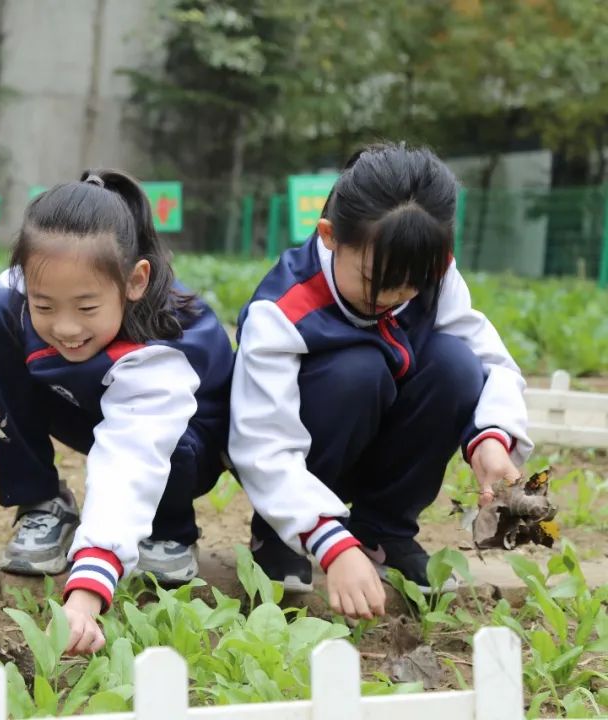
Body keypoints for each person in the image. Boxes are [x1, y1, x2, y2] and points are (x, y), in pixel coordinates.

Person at [0, 170, 233, 654]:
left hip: (179, 447)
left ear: (134, 281)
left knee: (173, 452)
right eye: (44, 306)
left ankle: (170, 530)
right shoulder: (43, 276)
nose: (63, 327)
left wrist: (87, 589)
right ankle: (43, 504)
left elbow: (131, 458)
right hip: (92, 404)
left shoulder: (166, 348)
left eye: (86, 308)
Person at [228, 143, 532, 620]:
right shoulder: (283, 310)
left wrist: (492, 437)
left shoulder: (428, 270)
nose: (392, 296)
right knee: (358, 370)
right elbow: (261, 443)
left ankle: (383, 531)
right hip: (306, 458)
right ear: (329, 236)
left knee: (455, 365)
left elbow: (491, 362)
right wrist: (329, 541)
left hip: (385, 443)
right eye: (375, 279)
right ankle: (281, 531)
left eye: (410, 284)